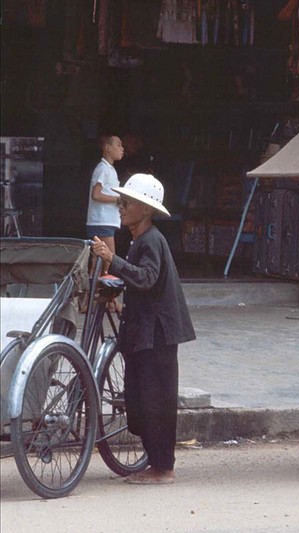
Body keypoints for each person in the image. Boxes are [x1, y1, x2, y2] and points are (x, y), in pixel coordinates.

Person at [91, 173, 195, 484]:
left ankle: (164, 468)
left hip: (158, 334)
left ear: (145, 210)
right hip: (145, 332)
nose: (121, 207)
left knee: (157, 401)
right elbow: (140, 279)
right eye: (121, 202)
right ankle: (156, 463)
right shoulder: (140, 240)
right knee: (140, 399)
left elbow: (147, 278)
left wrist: (113, 260)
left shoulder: (151, 241)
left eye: (127, 203)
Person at [86, 135, 124, 274]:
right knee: (109, 259)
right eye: (118, 145)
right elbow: (96, 195)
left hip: (104, 221)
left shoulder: (110, 169)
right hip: (102, 221)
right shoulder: (103, 169)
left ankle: (91, 292)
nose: (122, 149)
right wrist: (117, 199)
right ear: (107, 148)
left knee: (97, 260)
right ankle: (106, 294)